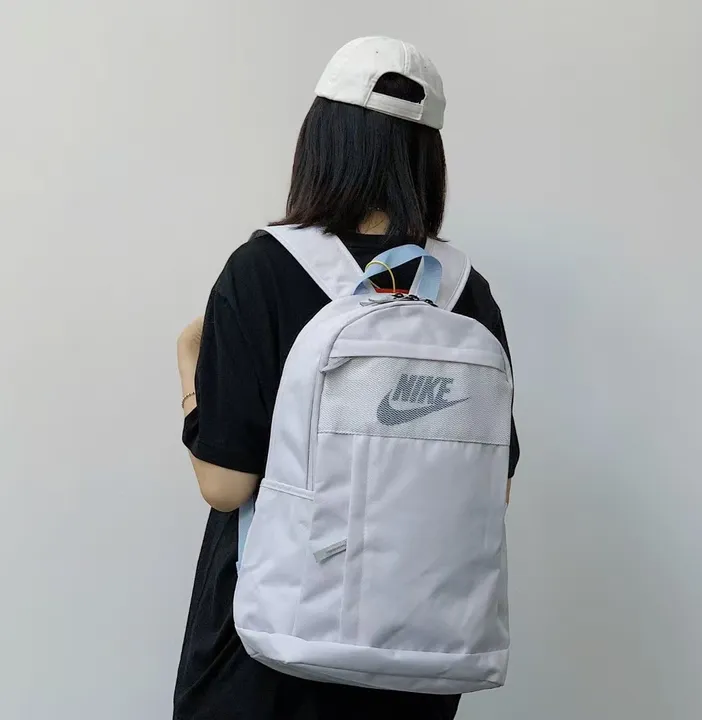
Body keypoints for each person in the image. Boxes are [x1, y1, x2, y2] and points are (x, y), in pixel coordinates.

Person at [175, 36, 519, 720]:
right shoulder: (461, 292)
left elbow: (225, 485)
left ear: (321, 140)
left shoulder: (264, 270)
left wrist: (191, 364)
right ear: (428, 157)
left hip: (271, 648)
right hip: (418, 660)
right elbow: (492, 490)